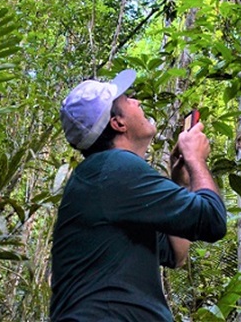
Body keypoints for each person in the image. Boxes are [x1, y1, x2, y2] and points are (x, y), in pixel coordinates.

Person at [50, 69, 227, 321]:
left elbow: (175, 253)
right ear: (118, 123)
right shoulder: (115, 167)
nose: (137, 101)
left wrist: (182, 181)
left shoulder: (104, 175)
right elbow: (212, 220)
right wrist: (196, 158)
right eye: (127, 100)